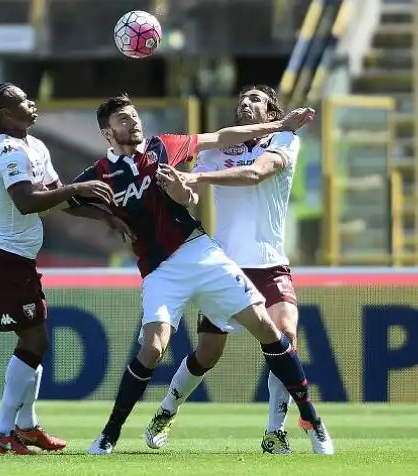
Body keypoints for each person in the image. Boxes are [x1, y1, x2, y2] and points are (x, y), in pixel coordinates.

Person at [65, 93, 326, 456]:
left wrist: (280, 126)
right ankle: (136, 424)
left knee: (277, 332)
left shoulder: (171, 147)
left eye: (133, 115)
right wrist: (108, 215)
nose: (133, 122)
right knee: (179, 351)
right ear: (107, 133)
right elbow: (67, 201)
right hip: (177, 266)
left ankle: (294, 426)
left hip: (230, 257)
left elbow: (232, 154)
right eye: (122, 119)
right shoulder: (106, 172)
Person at [149, 85, 334, 455]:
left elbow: (257, 174)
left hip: (270, 262)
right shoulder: (220, 147)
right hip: (226, 266)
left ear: (270, 113)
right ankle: (165, 412)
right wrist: (180, 188)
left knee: (284, 337)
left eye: (255, 100)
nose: (245, 103)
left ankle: (274, 432)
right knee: (207, 353)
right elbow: (193, 197)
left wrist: (197, 179)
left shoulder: (284, 139)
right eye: (242, 99)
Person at [0, 83, 114, 454]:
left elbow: (59, 197)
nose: (31, 102)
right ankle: (2, 432)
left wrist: (106, 216)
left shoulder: (35, 146)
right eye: (22, 100)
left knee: (33, 341)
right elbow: (27, 202)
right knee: (36, 342)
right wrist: (75, 189)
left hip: (17, 259)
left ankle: (27, 427)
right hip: (1, 259)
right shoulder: (8, 151)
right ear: (5, 114)